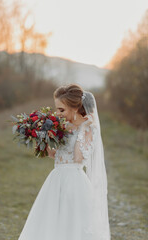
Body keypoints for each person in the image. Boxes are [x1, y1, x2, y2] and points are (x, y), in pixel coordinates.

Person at [18, 84, 111, 240]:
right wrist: (44, 143)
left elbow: (78, 158)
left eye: (61, 110)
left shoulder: (89, 128)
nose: (57, 113)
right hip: (56, 178)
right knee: (51, 219)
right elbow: (59, 156)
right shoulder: (63, 126)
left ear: (74, 108)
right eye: (57, 109)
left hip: (74, 181)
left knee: (71, 221)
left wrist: (80, 129)